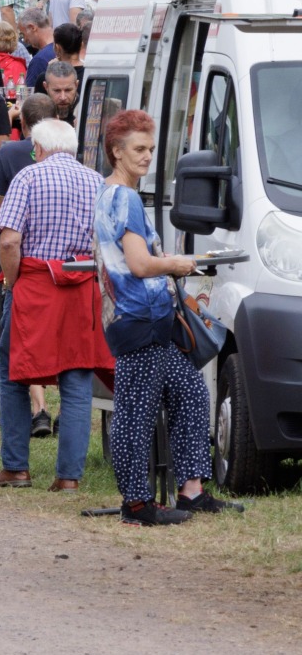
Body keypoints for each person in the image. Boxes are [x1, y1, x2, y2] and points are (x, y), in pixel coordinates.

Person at [95, 110, 219, 525]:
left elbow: (133, 257)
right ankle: (136, 504)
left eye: (150, 148)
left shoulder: (110, 191)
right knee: (135, 412)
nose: (148, 156)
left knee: (190, 392)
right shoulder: (125, 197)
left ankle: (192, 490)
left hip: (142, 318)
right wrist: (176, 265)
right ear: (116, 151)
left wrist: (161, 260)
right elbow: (139, 265)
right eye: (139, 149)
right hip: (139, 317)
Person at [0, 119, 111, 492]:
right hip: (83, 288)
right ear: (73, 148)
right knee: (77, 376)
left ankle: (16, 467)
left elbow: (9, 242)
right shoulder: (96, 181)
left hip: (37, 286)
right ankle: (68, 477)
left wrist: (12, 281)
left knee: (12, 371)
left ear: (37, 148)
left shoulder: (28, 178)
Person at [40, 59, 81, 124]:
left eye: (68, 90)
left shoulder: (86, 113)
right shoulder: (39, 114)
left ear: (76, 85)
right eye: (57, 91)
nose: (63, 97)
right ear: (46, 87)